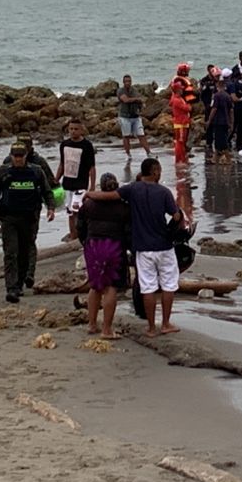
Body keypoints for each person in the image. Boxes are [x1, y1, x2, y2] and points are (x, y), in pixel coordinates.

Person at [85, 158, 187, 337]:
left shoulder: (132, 189)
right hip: (163, 245)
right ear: (155, 171)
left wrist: (89, 194)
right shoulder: (164, 192)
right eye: (160, 170)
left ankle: (150, 328)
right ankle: (165, 324)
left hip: (142, 248)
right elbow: (176, 216)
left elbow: (110, 196)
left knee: (147, 288)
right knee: (168, 286)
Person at [0, 142, 56, 304]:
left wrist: (51, 208)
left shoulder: (36, 171)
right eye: (15, 156)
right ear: (11, 156)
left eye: (21, 156)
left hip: (29, 217)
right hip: (9, 217)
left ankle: (20, 283)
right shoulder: (3, 171)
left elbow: (47, 191)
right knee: (11, 252)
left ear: (26, 156)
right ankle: (11, 288)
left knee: (25, 252)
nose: (18, 159)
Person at [77, 173, 130, 338]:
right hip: (114, 246)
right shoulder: (124, 207)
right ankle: (107, 329)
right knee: (111, 287)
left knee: (95, 286)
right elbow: (129, 231)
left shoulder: (88, 204)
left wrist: (85, 242)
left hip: (93, 246)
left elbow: (80, 227)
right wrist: (129, 247)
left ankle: (92, 325)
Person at [58, 118, 97, 242]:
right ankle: (73, 236)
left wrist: (92, 186)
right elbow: (62, 164)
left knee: (78, 211)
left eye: (76, 129)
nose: (73, 131)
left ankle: (81, 236)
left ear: (81, 130)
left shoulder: (87, 145)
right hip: (67, 183)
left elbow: (92, 167)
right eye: (71, 129)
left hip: (81, 184)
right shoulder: (64, 144)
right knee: (70, 212)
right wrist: (55, 179)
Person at [168, 63, 196, 165]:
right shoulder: (180, 82)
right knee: (180, 141)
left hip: (183, 116)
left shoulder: (177, 80)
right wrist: (189, 107)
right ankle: (180, 159)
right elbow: (188, 98)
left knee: (183, 140)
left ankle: (183, 156)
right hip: (181, 117)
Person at [117, 74, 151, 158]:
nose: (128, 83)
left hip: (135, 116)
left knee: (141, 135)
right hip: (125, 117)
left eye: (129, 81)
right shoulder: (120, 91)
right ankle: (128, 154)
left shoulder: (134, 90)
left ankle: (149, 152)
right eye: (126, 81)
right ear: (123, 82)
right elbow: (125, 100)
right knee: (126, 136)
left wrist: (141, 106)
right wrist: (136, 99)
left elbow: (140, 100)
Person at [208, 84, 234, 160]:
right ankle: (215, 157)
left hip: (218, 121)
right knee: (220, 139)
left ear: (217, 87)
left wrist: (209, 120)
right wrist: (232, 122)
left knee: (221, 141)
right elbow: (231, 110)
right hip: (226, 121)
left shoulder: (216, 96)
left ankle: (228, 158)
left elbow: (214, 109)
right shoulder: (228, 96)